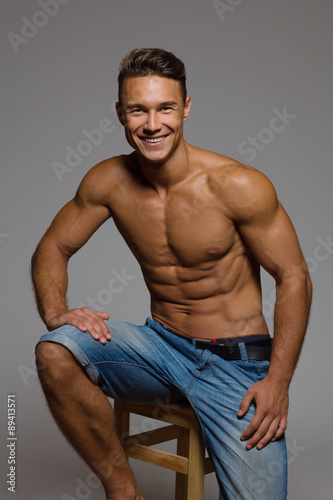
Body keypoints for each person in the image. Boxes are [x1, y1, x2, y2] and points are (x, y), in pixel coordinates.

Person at [32, 48, 312, 500]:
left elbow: (294, 276)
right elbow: (53, 246)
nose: (152, 123)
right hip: (161, 348)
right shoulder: (109, 182)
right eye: (138, 109)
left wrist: (278, 382)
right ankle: (124, 491)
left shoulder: (237, 184)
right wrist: (55, 310)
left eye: (165, 107)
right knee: (54, 352)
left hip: (236, 366)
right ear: (120, 113)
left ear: (186, 108)